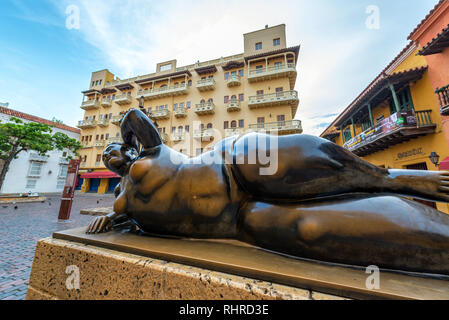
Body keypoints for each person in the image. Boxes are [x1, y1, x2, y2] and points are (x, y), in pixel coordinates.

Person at [87, 109, 449, 275]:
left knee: (289, 165)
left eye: (112, 147)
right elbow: (118, 218)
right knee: (312, 229)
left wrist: (125, 134)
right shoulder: (124, 198)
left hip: (230, 167)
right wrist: (107, 220)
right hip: (237, 221)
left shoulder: (151, 153)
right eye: (104, 155)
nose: (109, 154)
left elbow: (134, 116)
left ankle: (391, 177)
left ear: (128, 148)